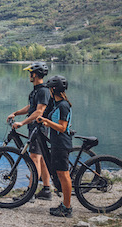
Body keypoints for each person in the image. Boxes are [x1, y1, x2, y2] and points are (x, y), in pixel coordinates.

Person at [7, 61, 52, 200]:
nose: (29, 75)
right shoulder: (37, 90)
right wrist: (16, 113)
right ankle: (46, 189)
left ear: (35, 74)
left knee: (34, 159)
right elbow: (30, 107)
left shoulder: (44, 90)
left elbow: (39, 111)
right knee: (42, 159)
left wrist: (22, 122)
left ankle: (30, 193)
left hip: (39, 128)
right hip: (35, 128)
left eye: (30, 73)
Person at [37, 75, 73, 217]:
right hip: (57, 143)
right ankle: (64, 204)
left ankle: (67, 208)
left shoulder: (63, 105)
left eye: (49, 88)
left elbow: (63, 127)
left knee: (64, 175)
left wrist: (47, 121)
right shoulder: (57, 103)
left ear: (53, 89)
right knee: (60, 173)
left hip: (62, 143)